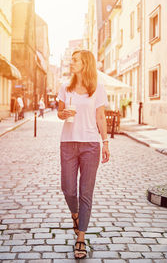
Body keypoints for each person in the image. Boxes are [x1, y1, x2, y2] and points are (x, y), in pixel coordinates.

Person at [57, 50, 110, 259]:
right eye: (71, 60)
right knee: (68, 188)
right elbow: (59, 112)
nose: (72, 63)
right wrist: (64, 114)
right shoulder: (65, 87)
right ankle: (76, 215)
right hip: (68, 143)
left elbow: (101, 116)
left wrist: (105, 142)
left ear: (85, 63)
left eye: (76, 60)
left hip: (90, 144)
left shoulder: (98, 88)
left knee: (86, 192)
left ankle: (81, 238)